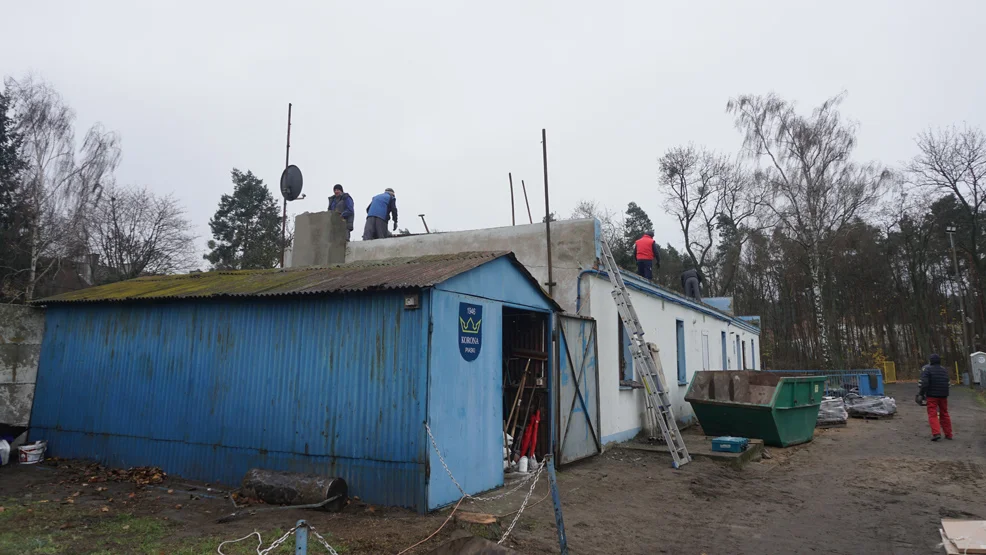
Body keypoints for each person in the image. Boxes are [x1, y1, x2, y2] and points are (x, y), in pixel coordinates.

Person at [919, 353, 952, 441]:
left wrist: (921, 394)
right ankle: (948, 434)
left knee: (932, 414)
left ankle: (936, 433)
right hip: (943, 395)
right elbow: (948, 382)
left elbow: (924, 383)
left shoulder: (927, 369)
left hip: (932, 396)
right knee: (944, 413)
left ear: (930, 361)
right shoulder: (944, 370)